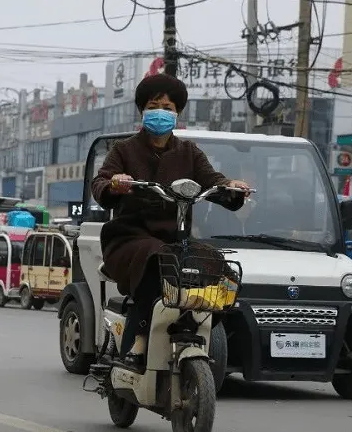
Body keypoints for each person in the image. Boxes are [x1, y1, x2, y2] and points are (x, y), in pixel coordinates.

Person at [90, 73, 251, 366]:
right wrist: (115, 183)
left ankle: (189, 328)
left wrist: (232, 187)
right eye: (155, 105)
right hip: (128, 239)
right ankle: (137, 342)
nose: (161, 112)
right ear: (142, 109)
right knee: (157, 262)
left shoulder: (189, 152)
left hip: (175, 241)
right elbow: (100, 184)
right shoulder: (123, 150)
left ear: (177, 112)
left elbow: (214, 181)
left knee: (222, 272)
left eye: (168, 107)